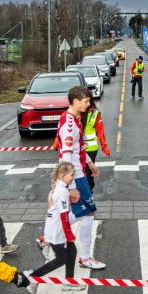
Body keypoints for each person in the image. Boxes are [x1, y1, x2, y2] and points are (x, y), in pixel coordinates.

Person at [57, 86, 104, 269]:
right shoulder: (69, 125)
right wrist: (71, 187)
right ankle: (84, 257)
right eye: (86, 101)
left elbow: (79, 148)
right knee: (89, 211)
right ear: (75, 101)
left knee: (85, 212)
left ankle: (48, 237)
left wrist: (90, 163)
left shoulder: (74, 118)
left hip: (78, 173)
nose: (88, 104)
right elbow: (67, 157)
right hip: (74, 176)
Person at [26, 162, 82, 292]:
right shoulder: (61, 192)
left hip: (57, 229)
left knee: (72, 252)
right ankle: (33, 277)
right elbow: (64, 217)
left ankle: (69, 282)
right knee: (61, 259)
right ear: (62, 175)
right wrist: (69, 235)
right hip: (58, 231)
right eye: (71, 175)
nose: (73, 177)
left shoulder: (60, 188)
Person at [81, 97, 111, 190]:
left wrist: (104, 147)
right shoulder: (76, 112)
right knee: (79, 172)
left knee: (88, 172)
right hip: (78, 149)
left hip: (91, 149)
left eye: (87, 101)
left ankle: (89, 190)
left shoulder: (95, 113)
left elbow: (100, 132)